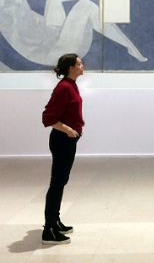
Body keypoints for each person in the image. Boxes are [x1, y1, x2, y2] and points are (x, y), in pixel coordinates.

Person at [0, 0, 147, 66]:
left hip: (51, 37)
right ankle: (131, 48)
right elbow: (29, 40)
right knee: (85, 6)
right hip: (57, 53)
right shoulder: (5, 17)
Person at [41, 53, 84, 245]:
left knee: (61, 181)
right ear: (71, 68)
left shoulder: (71, 85)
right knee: (57, 183)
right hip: (62, 140)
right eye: (79, 64)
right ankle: (49, 230)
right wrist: (68, 130)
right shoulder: (64, 88)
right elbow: (48, 117)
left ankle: (55, 221)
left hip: (68, 140)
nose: (83, 66)